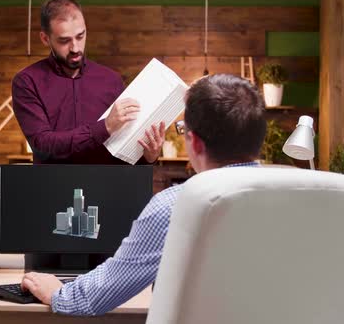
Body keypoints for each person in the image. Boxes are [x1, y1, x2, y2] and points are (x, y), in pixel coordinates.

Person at [20, 74, 267, 315]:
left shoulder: (174, 207)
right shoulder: (301, 201)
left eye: (183, 130)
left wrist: (57, 293)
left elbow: (100, 294)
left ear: (195, 143)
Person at [12, 0, 165, 164]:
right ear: (45, 38)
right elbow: (43, 144)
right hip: (52, 187)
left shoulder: (111, 80)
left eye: (80, 36)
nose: (75, 48)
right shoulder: (27, 82)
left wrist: (149, 156)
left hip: (107, 186)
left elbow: (123, 148)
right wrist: (104, 127)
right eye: (64, 40)